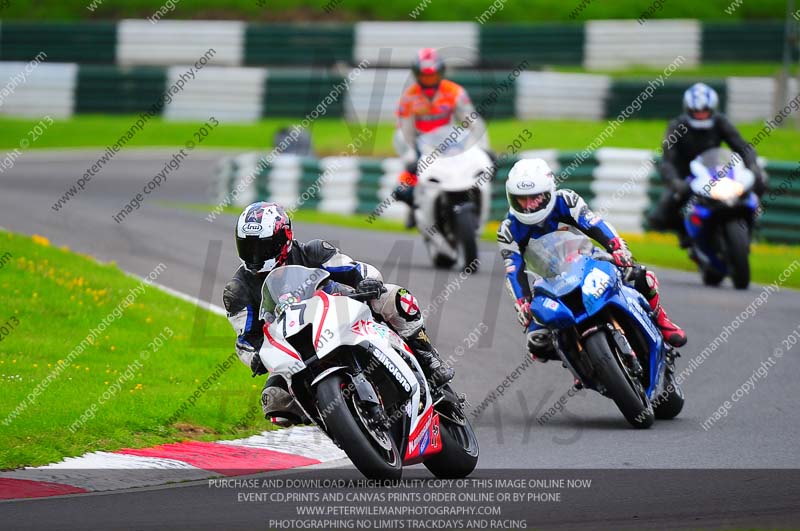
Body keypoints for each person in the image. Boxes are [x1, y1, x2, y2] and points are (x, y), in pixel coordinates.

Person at [222, 201, 453, 426]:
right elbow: (245, 340)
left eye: (263, 247)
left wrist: (367, 282)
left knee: (395, 297)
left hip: (342, 313)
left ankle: (428, 357)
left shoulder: (313, 251)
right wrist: (255, 358)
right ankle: (334, 418)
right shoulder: (237, 291)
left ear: (285, 238)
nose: (255, 255)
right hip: (295, 346)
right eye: (248, 247)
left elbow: (356, 269)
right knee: (274, 401)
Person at [497, 158, 687, 362]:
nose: (527, 206)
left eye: (533, 198)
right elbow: (513, 270)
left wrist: (616, 247)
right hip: (548, 282)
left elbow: (594, 224)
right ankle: (580, 363)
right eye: (520, 199)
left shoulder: (566, 200)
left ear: (548, 191)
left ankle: (662, 320)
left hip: (587, 260)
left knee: (640, 275)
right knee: (536, 342)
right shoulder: (508, 229)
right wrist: (522, 302)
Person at [648, 82, 767, 246]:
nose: (701, 115)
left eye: (704, 112)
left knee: (760, 180)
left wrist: (753, 166)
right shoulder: (676, 126)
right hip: (686, 177)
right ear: (688, 109)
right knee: (661, 215)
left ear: (712, 109)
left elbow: (742, 147)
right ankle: (685, 232)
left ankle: (751, 219)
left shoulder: (720, 122)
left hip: (715, 172)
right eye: (697, 112)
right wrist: (675, 182)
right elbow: (667, 161)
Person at [393, 47, 490, 227]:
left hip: (449, 142)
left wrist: (484, 149)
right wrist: (411, 156)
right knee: (405, 184)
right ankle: (413, 204)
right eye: (425, 76)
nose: (429, 80)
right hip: (421, 144)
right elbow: (405, 131)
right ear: (417, 75)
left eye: (432, 75)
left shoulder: (454, 92)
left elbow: (473, 121)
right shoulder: (408, 98)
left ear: (440, 73)